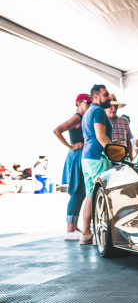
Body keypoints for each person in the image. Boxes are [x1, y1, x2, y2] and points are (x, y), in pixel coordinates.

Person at [53, 93, 91, 240]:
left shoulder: (84, 118)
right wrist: (70, 146)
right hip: (76, 156)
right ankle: (70, 229)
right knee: (77, 190)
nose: (88, 106)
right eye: (86, 103)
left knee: (81, 191)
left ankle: (73, 226)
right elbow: (57, 130)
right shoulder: (77, 118)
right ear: (79, 103)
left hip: (80, 156)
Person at [80, 84, 113, 245]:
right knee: (102, 196)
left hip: (86, 157)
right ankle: (100, 237)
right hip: (97, 157)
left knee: (90, 195)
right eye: (106, 95)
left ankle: (86, 234)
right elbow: (101, 137)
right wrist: (114, 152)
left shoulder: (88, 112)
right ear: (95, 97)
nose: (109, 97)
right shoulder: (98, 111)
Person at [106, 94, 134, 159]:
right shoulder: (101, 122)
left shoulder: (124, 121)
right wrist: (111, 144)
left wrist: (131, 157)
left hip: (124, 158)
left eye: (115, 106)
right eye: (111, 106)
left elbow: (128, 140)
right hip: (108, 159)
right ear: (105, 107)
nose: (114, 108)